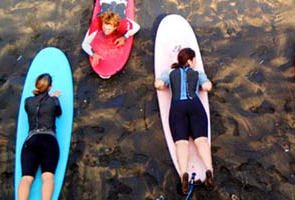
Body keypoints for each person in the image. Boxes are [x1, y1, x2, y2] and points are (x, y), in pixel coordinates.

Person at [154, 48, 214, 194]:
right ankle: (209, 170)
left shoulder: (170, 72)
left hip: (177, 107)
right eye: (194, 60)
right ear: (190, 61)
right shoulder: (198, 73)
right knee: (201, 140)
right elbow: (207, 87)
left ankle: (184, 175)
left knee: (181, 143)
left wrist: (164, 86)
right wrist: (202, 83)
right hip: (195, 105)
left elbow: (158, 84)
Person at [18, 73, 62, 200]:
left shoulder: (27, 102)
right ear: (50, 87)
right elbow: (58, 113)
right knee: (47, 177)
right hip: (49, 141)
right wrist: (53, 98)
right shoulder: (54, 101)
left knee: (26, 178)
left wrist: (47, 97)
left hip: (31, 140)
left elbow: (36, 107)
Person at [81, 0, 140, 74]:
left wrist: (124, 37)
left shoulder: (122, 23)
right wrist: (93, 54)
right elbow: (84, 44)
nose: (106, 32)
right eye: (104, 28)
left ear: (115, 27)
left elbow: (137, 27)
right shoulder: (97, 22)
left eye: (109, 29)